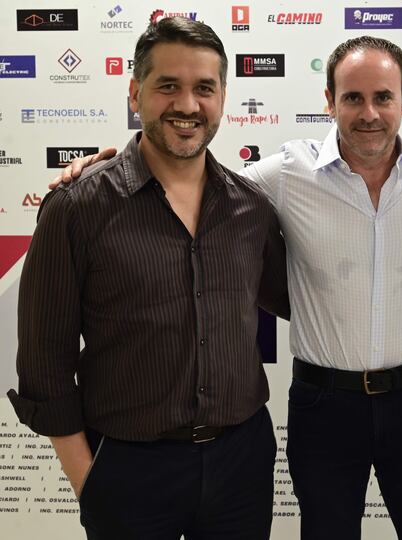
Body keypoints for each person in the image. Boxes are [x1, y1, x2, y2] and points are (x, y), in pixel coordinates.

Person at [54, 36, 402, 540]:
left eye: (383, 97)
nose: (369, 113)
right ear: (329, 101)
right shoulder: (287, 173)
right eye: (352, 98)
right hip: (323, 405)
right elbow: (198, 181)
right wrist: (104, 169)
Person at [7, 17, 289, 540]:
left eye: (204, 88)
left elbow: (302, 297)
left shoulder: (251, 208)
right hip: (127, 471)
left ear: (223, 98)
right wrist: (89, 481)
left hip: (241, 463)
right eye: (168, 86)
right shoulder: (77, 207)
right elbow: (45, 362)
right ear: (135, 93)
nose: (188, 104)